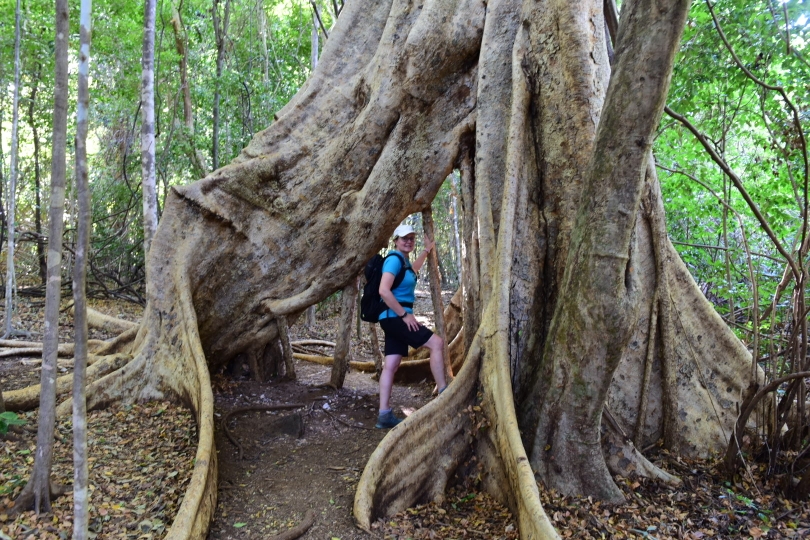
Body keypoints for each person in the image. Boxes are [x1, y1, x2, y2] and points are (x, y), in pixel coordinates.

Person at [376, 223, 447, 429]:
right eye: (404, 238)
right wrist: (405, 315)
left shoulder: (404, 263)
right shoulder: (393, 260)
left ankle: (384, 415)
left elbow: (413, 271)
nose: (408, 241)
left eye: (411, 238)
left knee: (392, 365)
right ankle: (443, 392)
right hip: (395, 316)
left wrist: (426, 250)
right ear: (396, 241)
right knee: (436, 343)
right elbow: (383, 290)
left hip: (390, 318)